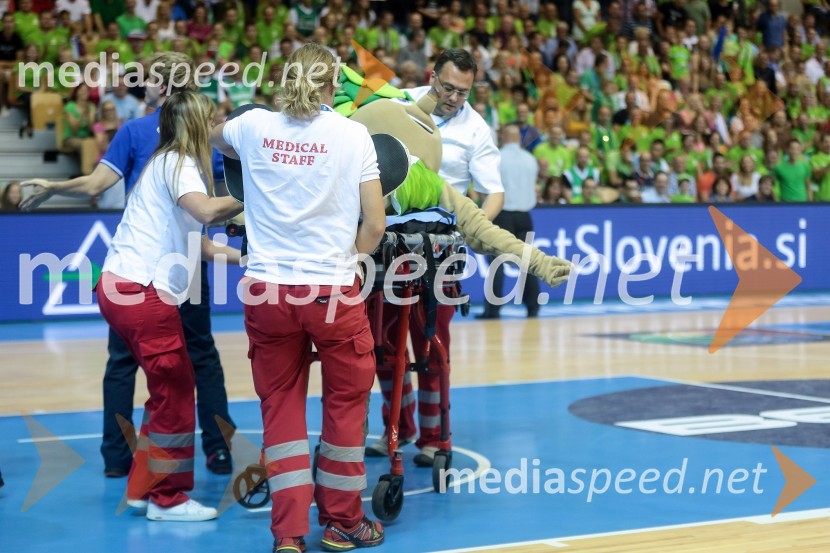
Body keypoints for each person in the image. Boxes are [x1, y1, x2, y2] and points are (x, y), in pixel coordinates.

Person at [21, 52, 238, 478]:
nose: (148, 85)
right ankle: (215, 450)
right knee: (199, 357)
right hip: (166, 267)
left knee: (126, 361)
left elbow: (95, 185)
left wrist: (55, 187)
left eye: (153, 79)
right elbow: (217, 204)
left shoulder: (153, 131)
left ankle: (119, 458)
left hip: (160, 263)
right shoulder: (198, 134)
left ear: (164, 84)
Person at [209, 43, 386, 553]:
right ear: (334, 84)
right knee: (346, 406)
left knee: (282, 413)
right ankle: (344, 523)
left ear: (285, 79)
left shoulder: (254, 127)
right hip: (331, 291)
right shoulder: (354, 136)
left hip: (268, 292)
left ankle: (288, 536)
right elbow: (374, 224)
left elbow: (217, 134)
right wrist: (347, 260)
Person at [97, 90, 243, 521]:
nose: (216, 122)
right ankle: (169, 499)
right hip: (141, 292)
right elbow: (210, 212)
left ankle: (143, 487)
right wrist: (260, 186)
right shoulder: (180, 162)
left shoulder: (165, 163)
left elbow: (195, 240)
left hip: (119, 287)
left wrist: (246, 258)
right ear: (194, 124)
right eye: (210, 116)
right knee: (177, 391)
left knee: (164, 392)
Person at [367, 48, 504, 467]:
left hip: (439, 249)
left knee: (432, 346)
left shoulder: (477, 129)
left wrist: (470, 227)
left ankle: (434, 438)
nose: (455, 98)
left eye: (464, 92)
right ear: (432, 77)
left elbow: (493, 192)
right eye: (448, 87)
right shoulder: (397, 105)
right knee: (383, 344)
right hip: (387, 242)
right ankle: (398, 426)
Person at [479, 124, 540, 319]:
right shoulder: (531, 159)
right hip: (524, 216)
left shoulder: (496, 158)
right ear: (518, 139)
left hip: (502, 214)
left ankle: (493, 310)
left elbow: (486, 186)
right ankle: (533, 307)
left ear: (503, 137)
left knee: (497, 263)